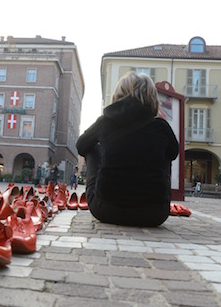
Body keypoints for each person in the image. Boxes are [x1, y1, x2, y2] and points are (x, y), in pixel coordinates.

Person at [76, 72, 179, 227]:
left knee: (91, 147)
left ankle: (105, 190)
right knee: (165, 150)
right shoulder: (161, 127)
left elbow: (81, 146)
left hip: (105, 209)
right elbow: (173, 153)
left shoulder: (104, 122)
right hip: (154, 214)